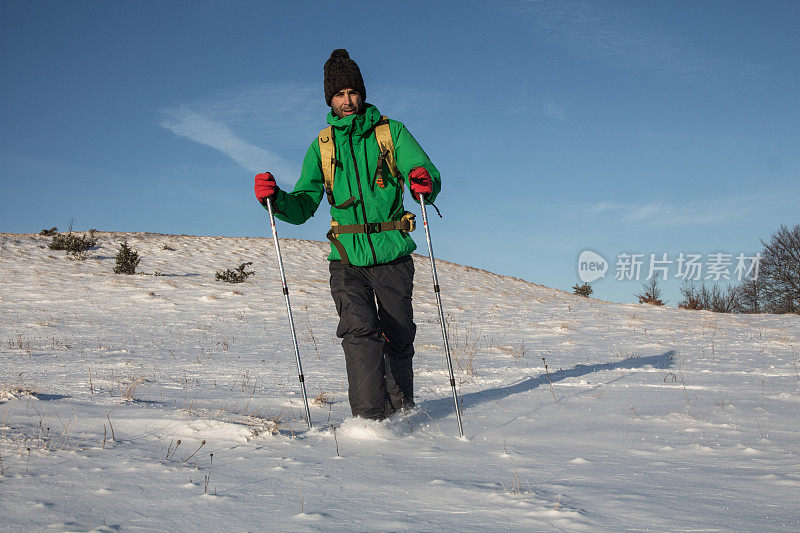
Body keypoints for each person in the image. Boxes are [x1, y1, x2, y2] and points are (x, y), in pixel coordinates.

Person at [253, 49, 441, 420]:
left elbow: (423, 172)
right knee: (359, 333)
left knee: (399, 335)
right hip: (345, 257)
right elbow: (305, 203)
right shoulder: (323, 146)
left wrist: (424, 182)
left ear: (362, 93)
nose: (347, 100)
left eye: (352, 92)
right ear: (329, 99)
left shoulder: (390, 132)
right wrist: (275, 199)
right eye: (339, 94)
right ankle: (370, 421)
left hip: (392, 252)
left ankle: (402, 410)